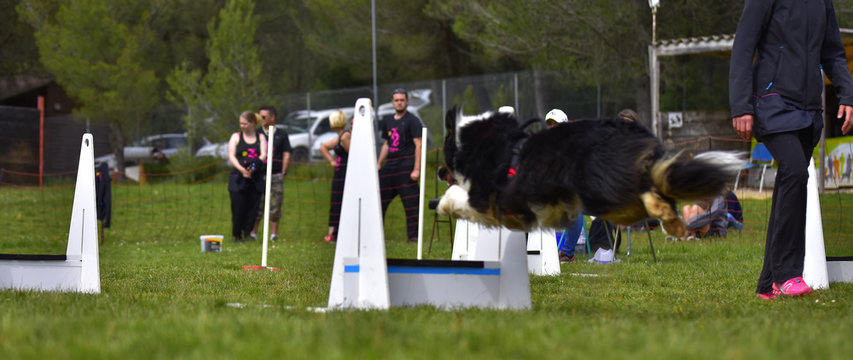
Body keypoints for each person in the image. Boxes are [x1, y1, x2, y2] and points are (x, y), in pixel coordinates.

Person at [729, 0, 853, 299]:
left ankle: (767, 283)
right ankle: (787, 274)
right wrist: (741, 106)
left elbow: (834, 53)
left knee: (791, 181)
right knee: (796, 172)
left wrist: (847, 93)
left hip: (809, 108)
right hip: (771, 100)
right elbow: (743, 48)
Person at [377, 88, 425, 243]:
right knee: (378, 201)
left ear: (407, 101)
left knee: (411, 204)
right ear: (392, 102)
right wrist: (379, 163)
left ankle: (413, 237)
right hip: (390, 167)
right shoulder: (388, 121)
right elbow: (386, 144)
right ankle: (376, 235)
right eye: (396, 100)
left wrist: (416, 169)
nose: (399, 103)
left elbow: (419, 145)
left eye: (402, 100)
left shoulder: (413, 121)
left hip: (407, 166)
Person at [250, 106, 291, 242]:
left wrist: (283, 171)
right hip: (259, 175)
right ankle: (253, 233)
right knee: (257, 204)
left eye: (263, 117)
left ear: (272, 117)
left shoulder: (282, 134)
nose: (261, 120)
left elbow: (286, 154)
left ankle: (273, 235)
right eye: (260, 117)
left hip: (276, 175)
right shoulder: (257, 134)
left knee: (275, 205)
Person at [227, 111, 267, 242]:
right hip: (238, 177)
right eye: (241, 123)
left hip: (255, 177)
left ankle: (248, 233)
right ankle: (237, 235)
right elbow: (231, 155)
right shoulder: (236, 137)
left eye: (245, 123)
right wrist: (242, 170)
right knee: (238, 206)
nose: (242, 126)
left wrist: (253, 167)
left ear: (252, 123)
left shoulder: (260, 137)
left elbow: (263, 155)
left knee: (253, 207)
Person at [320, 110, 351, 243]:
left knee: (341, 201)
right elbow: (324, 147)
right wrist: (332, 161)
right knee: (335, 201)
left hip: (346, 173)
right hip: (339, 172)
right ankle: (333, 233)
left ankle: (338, 233)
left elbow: (353, 155)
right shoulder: (340, 136)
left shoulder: (345, 136)